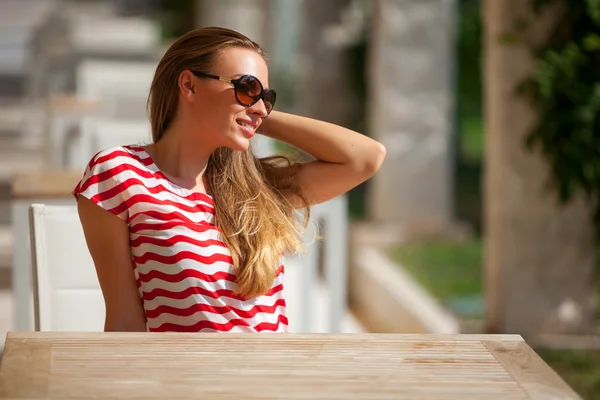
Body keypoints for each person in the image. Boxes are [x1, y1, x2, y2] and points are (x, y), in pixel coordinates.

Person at [73, 26, 386, 333]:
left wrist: (252, 114)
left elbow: (365, 158)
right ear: (189, 85)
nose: (261, 106)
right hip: (190, 381)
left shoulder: (255, 186)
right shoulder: (120, 173)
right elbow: (125, 322)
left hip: (277, 376)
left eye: (266, 96)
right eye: (247, 87)